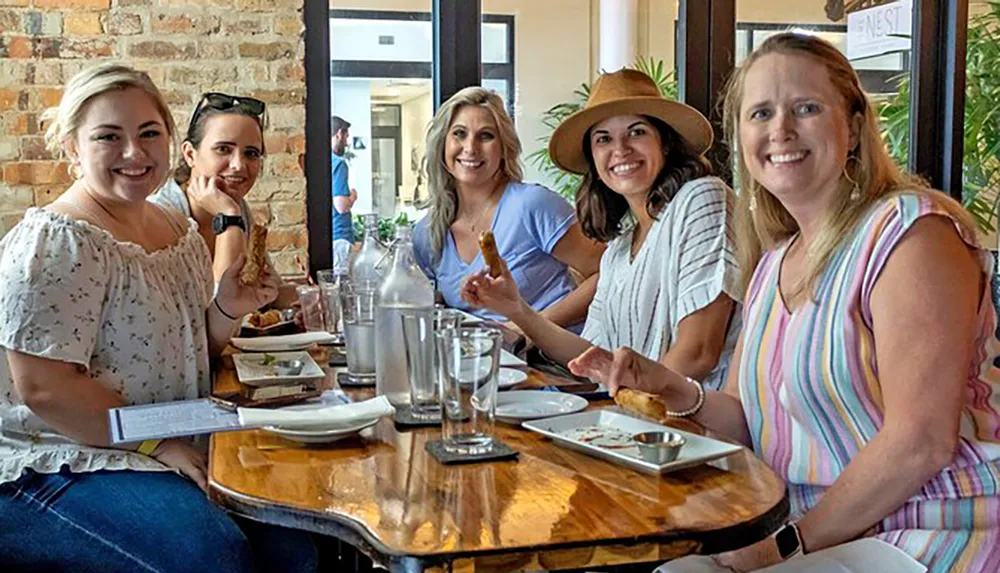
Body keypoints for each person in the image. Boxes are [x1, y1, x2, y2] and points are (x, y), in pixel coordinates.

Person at [570, 33, 1000, 572]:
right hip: (806, 526)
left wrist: (785, 546)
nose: (780, 130)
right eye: (761, 113)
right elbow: (744, 420)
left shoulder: (910, 232)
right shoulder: (774, 261)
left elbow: (920, 443)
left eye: (806, 108)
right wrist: (666, 385)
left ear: (854, 127)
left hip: (928, 532)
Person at [0, 63, 317, 572]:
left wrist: (227, 308)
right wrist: (157, 441)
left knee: (296, 541)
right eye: (109, 136)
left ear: (171, 141)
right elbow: (46, 391)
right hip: (59, 458)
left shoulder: (175, 228)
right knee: (212, 556)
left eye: (149, 133)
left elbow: (197, 344)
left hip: (165, 440)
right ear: (71, 148)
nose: (134, 152)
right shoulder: (56, 241)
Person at [462, 70, 740, 388]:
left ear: (665, 143)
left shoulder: (702, 198)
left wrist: (627, 414)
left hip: (697, 426)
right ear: (594, 159)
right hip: (641, 421)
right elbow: (594, 359)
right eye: (603, 138)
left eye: (636, 132)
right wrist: (518, 310)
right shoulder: (619, 251)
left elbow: (699, 353)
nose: (620, 149)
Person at [413, 86, 605, 332]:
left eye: (486, 136)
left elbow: (607, 273)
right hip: (483, 364)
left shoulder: (531, 205)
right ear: (442, 145)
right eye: (459, 134)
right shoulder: (427, 234)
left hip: (557, 361)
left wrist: (528, 330)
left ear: (504, 148)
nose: (470, 148)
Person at [148, 91, 265, 284]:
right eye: (223, 149)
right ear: (190, 154)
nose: (238, 165)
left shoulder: (237, 207)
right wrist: (229, 219)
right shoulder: (160, 215)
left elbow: (269, 289)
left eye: (251, 153)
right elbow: (224, 304)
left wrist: (310, 298)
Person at [331, 115, 357, 244]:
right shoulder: (339, 164)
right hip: (340, 236)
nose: (347, 143)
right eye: (346, 136)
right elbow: (341, 206)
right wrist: (353, 196)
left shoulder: (322, 162)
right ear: (339, 134)